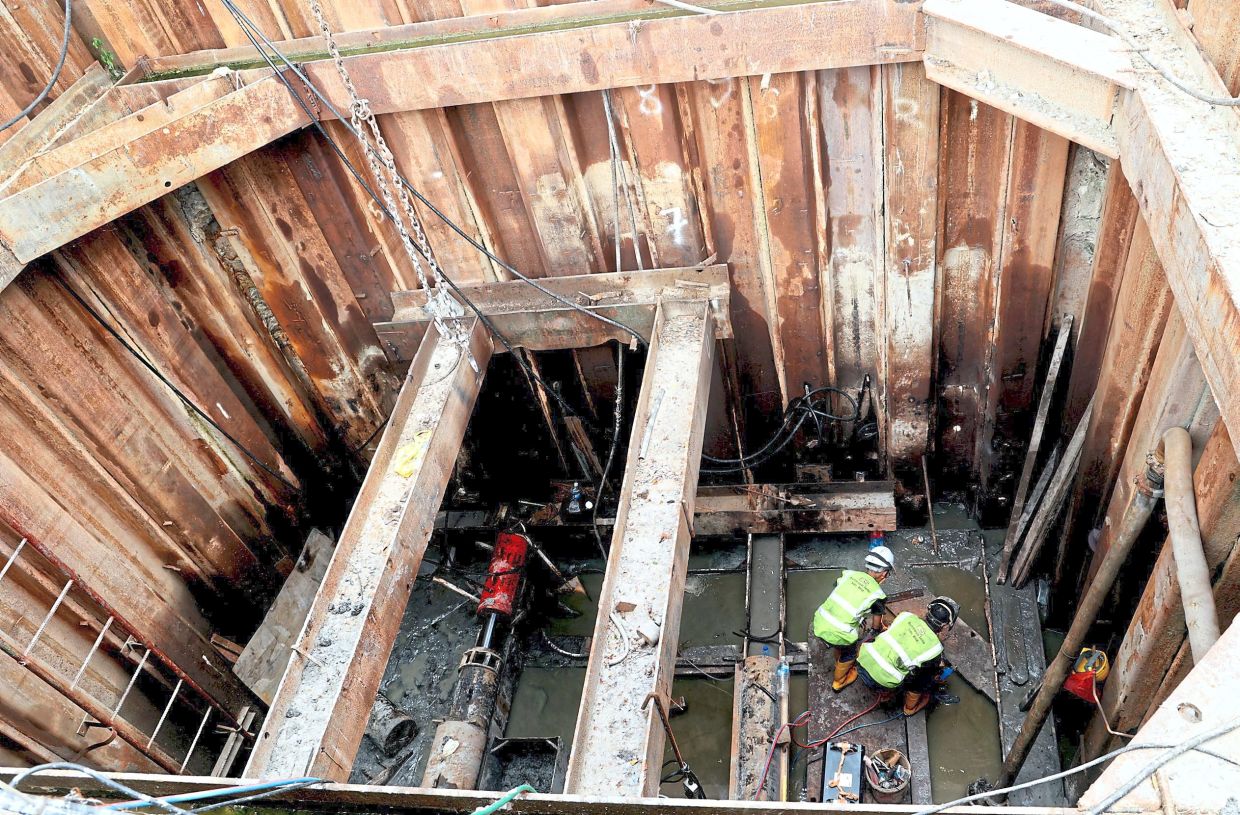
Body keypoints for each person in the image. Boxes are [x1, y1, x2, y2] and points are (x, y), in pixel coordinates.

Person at [856, 596, 959, 716]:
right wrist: (936, 673)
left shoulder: (905, 616)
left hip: (861, 662)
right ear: (945, 625)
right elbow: (924, 677)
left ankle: (884, 692)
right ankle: (909, 709)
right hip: (882, 681)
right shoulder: (935, 649)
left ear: (928, 611)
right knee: (922, 680)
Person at [812, 546, 896, 692]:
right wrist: (876, 631)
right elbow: (876, 625)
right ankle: (839, 681)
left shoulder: (848, 575)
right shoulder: (877, 595)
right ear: (884, 573)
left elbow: (842, 596)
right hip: (838, 632)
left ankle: (838, 654)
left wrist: (858, 616)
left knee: (841, 643)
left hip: (819, 621)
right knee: (850, 652)